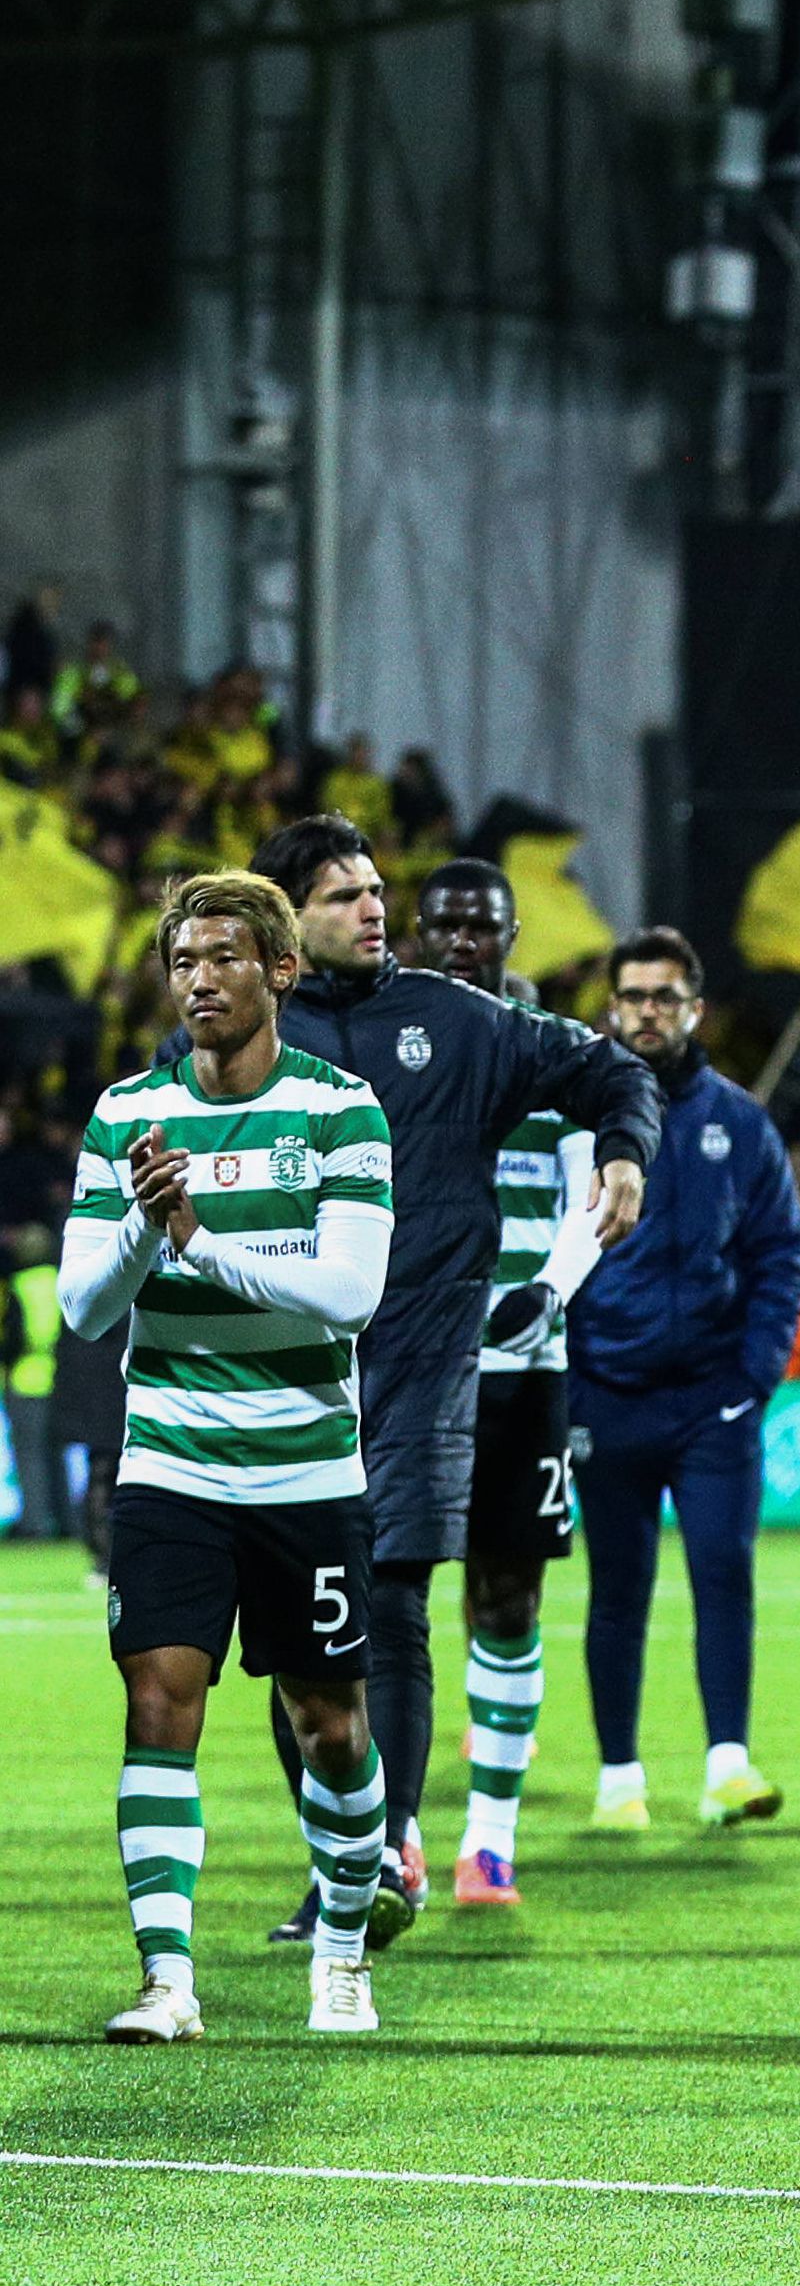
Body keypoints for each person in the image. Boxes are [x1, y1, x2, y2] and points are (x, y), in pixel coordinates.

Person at [213, 814, 657, 1944]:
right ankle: (337, 1859)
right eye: (344, 894)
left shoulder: (457, 1020)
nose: (375, 907)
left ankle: (392, 1846)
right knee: (296, 1637)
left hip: (422, 1359)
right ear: (283, 924)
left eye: (376, 888)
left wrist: (623, 1150)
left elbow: (611, 1070)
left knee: (395, 1603)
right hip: (284, 1372)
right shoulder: (238, 1037)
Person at [63, 872, 397, 2039]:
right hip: (172, 1462)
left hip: (307, 1469)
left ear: (280, 971)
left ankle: (342, 1949)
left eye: (223, 958)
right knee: (159, 1701)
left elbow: (349, 1296)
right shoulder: (126, 1116)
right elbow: (84, 1311)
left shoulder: (340, 1110)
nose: (199, 980)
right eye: (183, 962)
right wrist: (142, 1225)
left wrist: (198, 1241)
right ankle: (168, 1979)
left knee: (331, 1727)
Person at [567, 928, 800, 1836]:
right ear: (611, 1009)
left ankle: (726, 1766)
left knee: (723, 1570)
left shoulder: (739, 1121)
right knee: (617, 1588)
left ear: (695, 1010)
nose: (648, 1012)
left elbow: (780, 1250)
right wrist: (571, 1384)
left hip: (713, 1398)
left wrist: (754, 1373)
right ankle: (618, 1777)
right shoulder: (574, 1121)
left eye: (665, 997)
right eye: (634, 996)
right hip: (607, 1393)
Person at [404, 864, 610, 1905]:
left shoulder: (552, 1057)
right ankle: (391, 1832)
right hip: (405, 1369)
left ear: (510, 934)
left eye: (479, 926)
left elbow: (592, 1197)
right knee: (389, 1597)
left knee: (507, 1596)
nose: (462, 941)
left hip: (522, 1371)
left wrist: (550, 1289)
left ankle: (489, 1839)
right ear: (417, 933)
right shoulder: (383, 1048)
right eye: (445, 925)